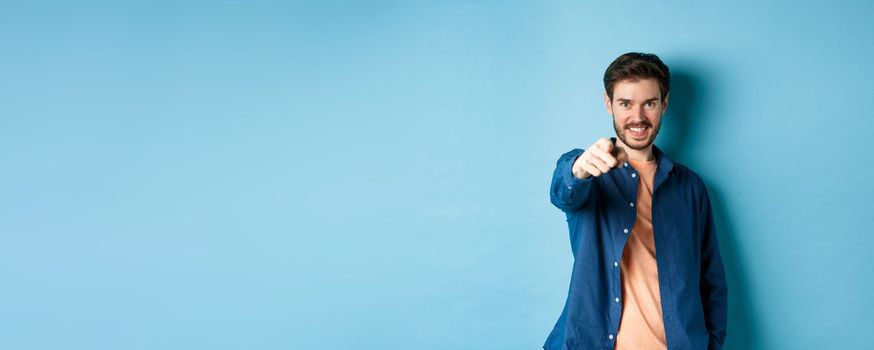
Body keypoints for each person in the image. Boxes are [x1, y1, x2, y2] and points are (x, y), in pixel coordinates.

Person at [542, 52, 727, 350]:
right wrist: (579, 168)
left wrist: (712, 344)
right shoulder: (589, 171)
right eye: (625, 104)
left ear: (664, 105)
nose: (637, 117)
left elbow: (712, 280)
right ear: (608, 104)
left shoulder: (691, 187)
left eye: (649, 104)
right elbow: (563, 191)